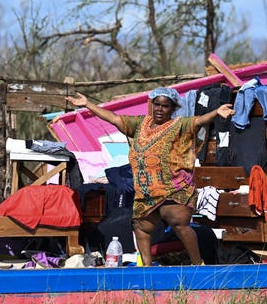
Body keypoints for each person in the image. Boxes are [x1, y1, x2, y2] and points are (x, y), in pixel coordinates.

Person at [65, 87, 234, 266]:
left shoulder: (179, 125)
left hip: (173, 187)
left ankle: (197, 264)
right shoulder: (140, 124)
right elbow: (114, 118)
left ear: (173, 108)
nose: (160, 109)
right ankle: (146, 269)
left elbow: (199, 121)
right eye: (157, 105)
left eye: (165, 106)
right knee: (141, 227)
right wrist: (87, 104)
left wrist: (216, 112)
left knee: (178, 223)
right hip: (146, 191)